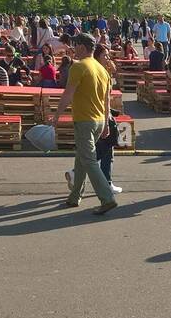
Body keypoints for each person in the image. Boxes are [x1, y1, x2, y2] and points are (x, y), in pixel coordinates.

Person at [44, 33, 118, 215]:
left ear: (83, 47)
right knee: (82, 158)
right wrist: (107, 123)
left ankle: (107, 198)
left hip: (85, 120)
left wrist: (56, 116)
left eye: (76, 45)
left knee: (89, 160)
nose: (73, 48)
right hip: (100, 120)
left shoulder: (79, 67)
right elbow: (107, 100)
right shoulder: (102, 70)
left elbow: (68, 94)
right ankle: (75, 196)